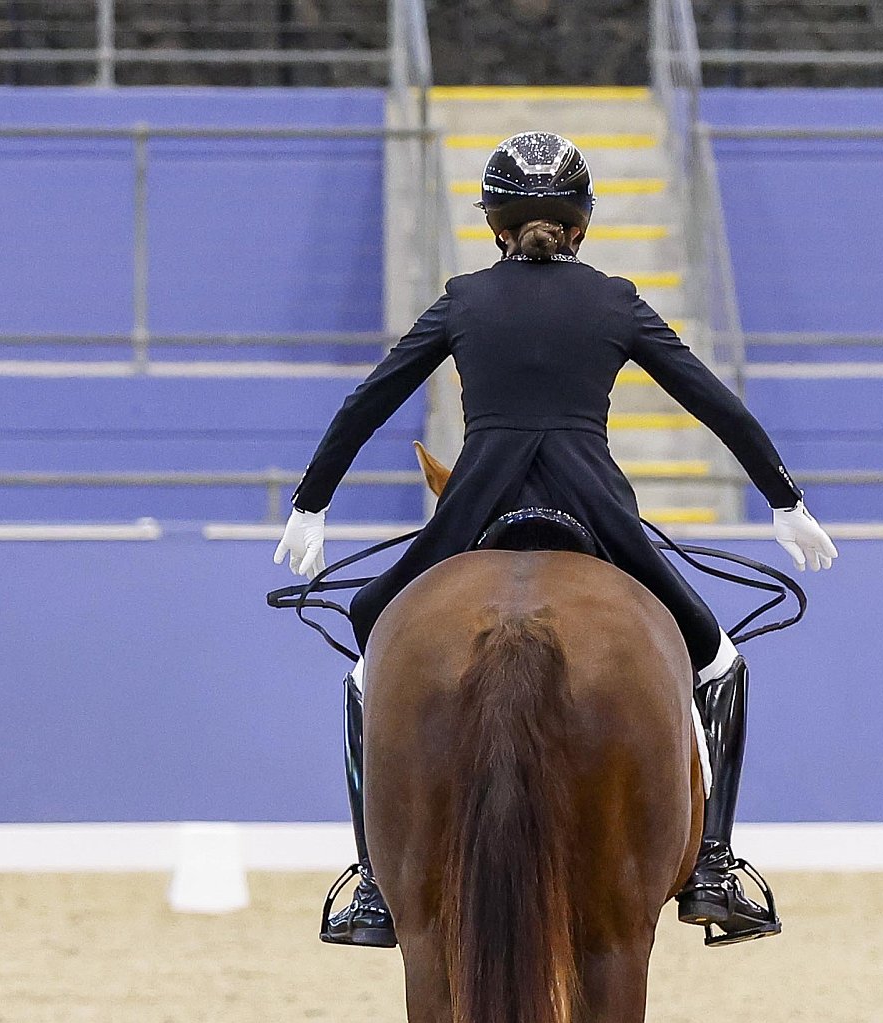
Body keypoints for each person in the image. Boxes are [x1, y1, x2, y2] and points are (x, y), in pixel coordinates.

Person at [274, 131, 837, 950]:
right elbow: (715, 403)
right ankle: (713, 863)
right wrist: (785, 499)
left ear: (496, 225)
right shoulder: (615, 300)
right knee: (719, 662)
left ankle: (371, 882)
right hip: (596, 507)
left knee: (368, 669)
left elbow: (370, 401)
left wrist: (310, 504)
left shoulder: (463, 299)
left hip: (473, 506)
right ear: (581, 226)